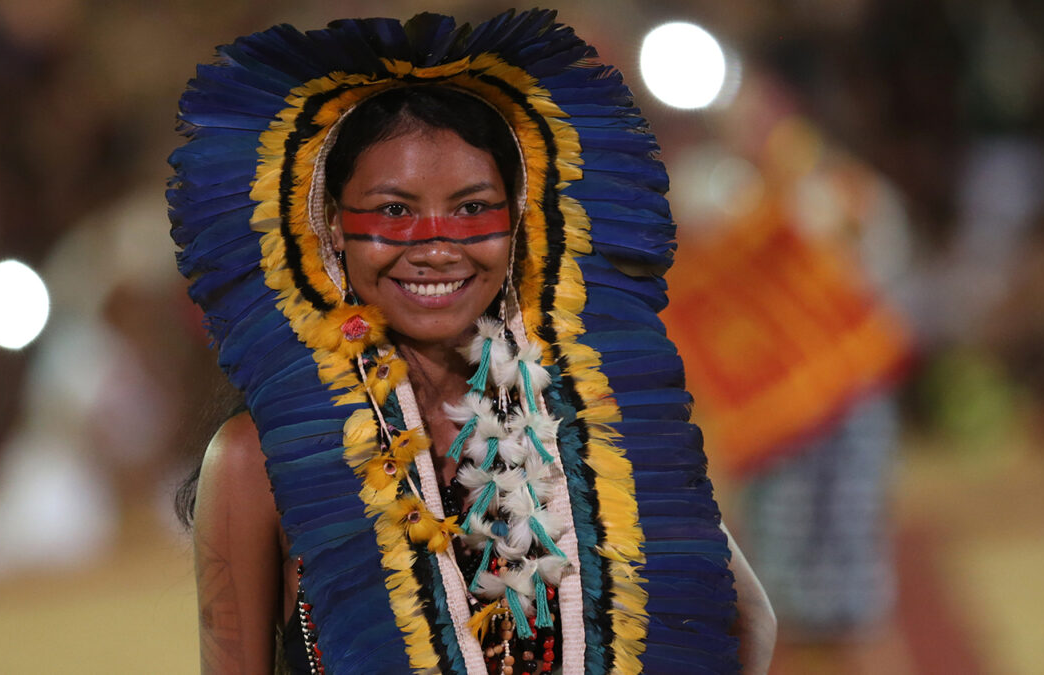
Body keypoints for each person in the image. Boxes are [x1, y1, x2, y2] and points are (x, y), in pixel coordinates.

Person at [169, 11, 774, 674]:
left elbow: (745, 616)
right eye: (394, 210)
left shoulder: (591, 423)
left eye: (470, 208)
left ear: (516, 220)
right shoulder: (255, 461)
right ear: (332, 224)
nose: (436, 246)